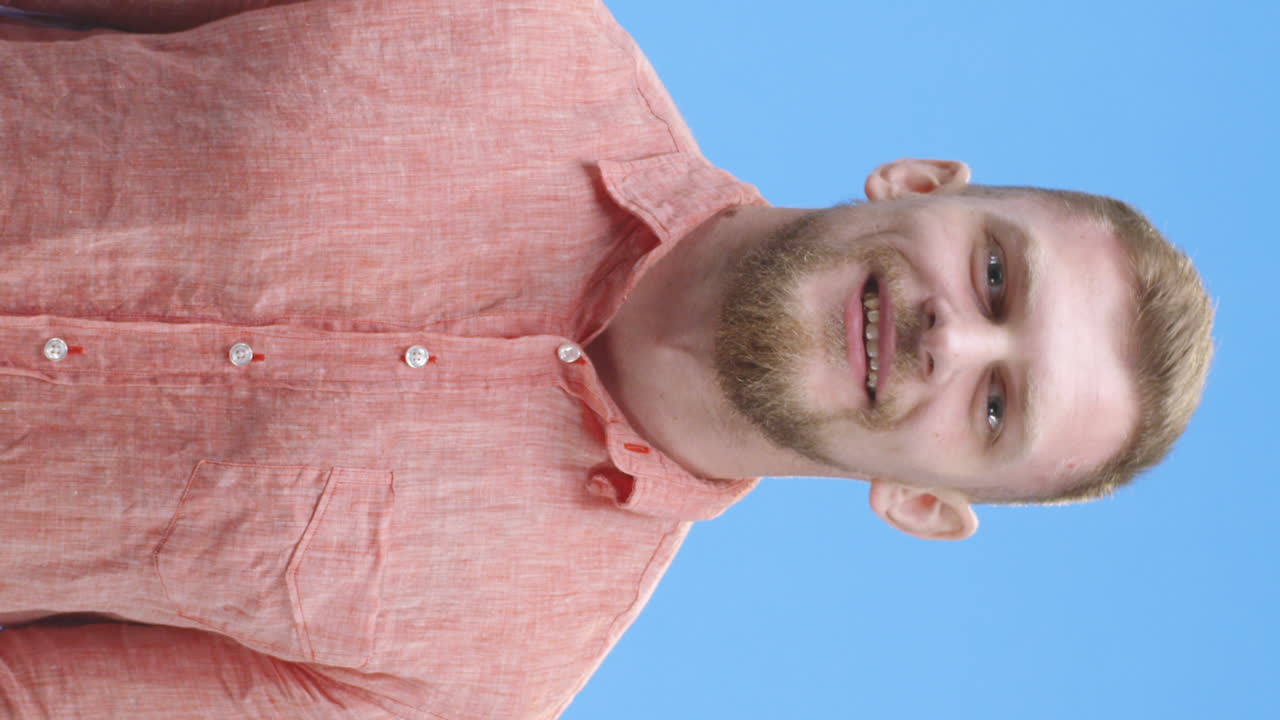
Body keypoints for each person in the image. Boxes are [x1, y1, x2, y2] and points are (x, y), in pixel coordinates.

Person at [0, 1, 1214, 718]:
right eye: (996, 275)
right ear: (920, 182)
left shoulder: (479, 682)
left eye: (995, 404)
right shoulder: (501, 28)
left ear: (920, 503)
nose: (953, 334)